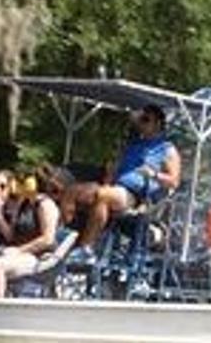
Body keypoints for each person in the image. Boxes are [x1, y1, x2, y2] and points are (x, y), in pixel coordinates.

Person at [77, 103, 181, 250]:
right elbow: (115, 169)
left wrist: (154, 174)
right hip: (116, 188)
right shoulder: (133, 144)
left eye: (145, 119)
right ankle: (61, 243)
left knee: (103, 195)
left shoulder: (167, 149)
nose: (140, 123)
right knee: (74, 191)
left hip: (137, 197)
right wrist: (109, 175)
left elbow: (174, 182)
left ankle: (85, 248)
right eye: (140, 119)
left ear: (158, 123)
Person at [0, 166, 66, 297]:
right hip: (17, 253)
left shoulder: (45, 205)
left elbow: (47, 239)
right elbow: (10, 235)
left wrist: (19, 250)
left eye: (21, 182)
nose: (15, 185)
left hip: (37, 257)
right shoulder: (23, 203)